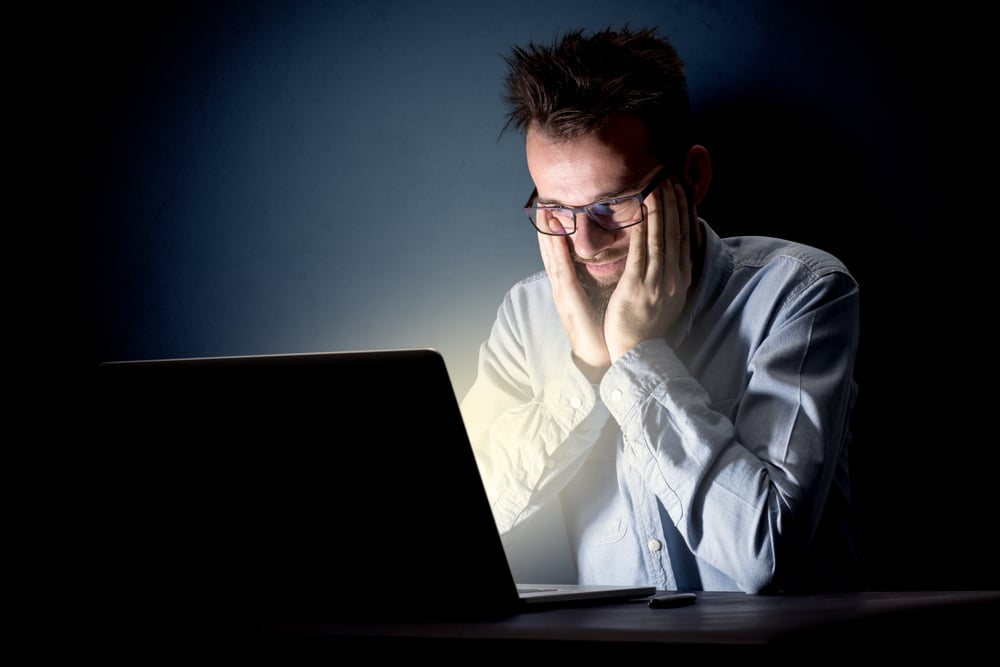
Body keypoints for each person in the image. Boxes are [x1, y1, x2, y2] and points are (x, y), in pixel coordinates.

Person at [459, 26, 862, 594]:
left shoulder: (799, 292)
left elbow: (764, 553)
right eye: (556, 210)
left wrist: (635, 355)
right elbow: (471, 519)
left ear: (692, 178)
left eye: (610, 206)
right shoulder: (527, 315)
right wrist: (586, 366)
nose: (584, 243)